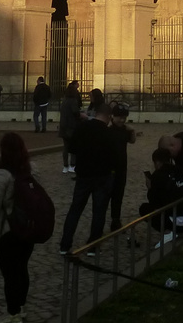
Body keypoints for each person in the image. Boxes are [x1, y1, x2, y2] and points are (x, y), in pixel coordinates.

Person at [0, 133, 37, 321]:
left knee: (10, 275)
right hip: (27, 228)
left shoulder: (2, 175)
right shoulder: (31, 169)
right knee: (22, 269)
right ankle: (21, 307)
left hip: (7, 232)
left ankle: (13, 314)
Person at [59, 100, 114, 254]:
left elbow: (72, 149)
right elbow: (114, 156)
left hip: (83, 175)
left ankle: (65, 244)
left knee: (75, 210)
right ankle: (93, 246)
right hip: (102, 176)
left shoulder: (82, 128)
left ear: (95, 114)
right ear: (109, 116)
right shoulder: (108, 133)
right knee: (99, 212)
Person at [140, 147, 183, 236]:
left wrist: (150, 188)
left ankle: (167, 231)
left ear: (157, 162)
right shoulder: (181, 169)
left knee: (144, 208)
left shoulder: (158, 175)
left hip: (176, 223)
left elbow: (154, 202)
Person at [107, 102, 137, 232]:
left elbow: (132, 141)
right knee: (105, 196)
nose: (122, 120)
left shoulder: (125, 130)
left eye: (124, 117)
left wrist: (133, 131)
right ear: (113, 116)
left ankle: (115, 220)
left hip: (121, 168)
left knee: (118, 196)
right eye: (120, 117)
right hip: (108, 168)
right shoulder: (108, 131)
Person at [59, 81, 83, 173]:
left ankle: (65, 166)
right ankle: (72, 165)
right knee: (73, 147)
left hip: (63, 126)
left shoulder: (64, 101)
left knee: (65, 147)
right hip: (71, 127)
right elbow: (76, 113)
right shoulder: (72, 101)